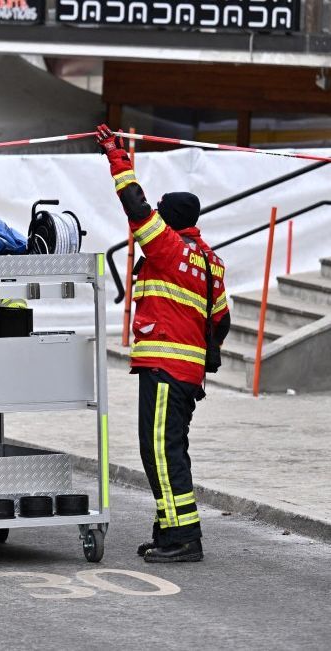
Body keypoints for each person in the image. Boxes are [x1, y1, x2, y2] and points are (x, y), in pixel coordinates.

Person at [96, 124, 231, 563]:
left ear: (169, 219)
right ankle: (170, 527)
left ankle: (183, 539)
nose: (153, 214)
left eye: (160, 213)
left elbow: (134, 205)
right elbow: (222, 322)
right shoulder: (211, 263)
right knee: (169, 449)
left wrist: (116, 154)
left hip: (164, 367)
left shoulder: (169, 248)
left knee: (160, 451)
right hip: (187, 373)